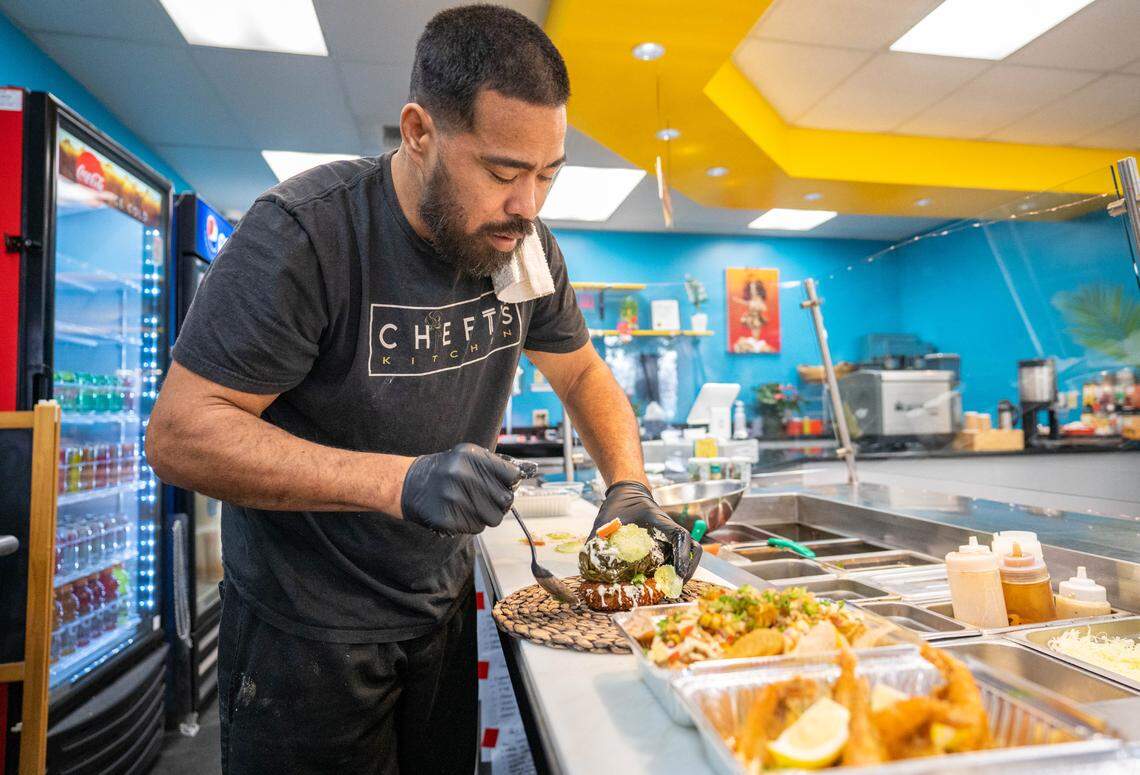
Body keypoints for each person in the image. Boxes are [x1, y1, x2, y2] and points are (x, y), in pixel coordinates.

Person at [145, 5, 700, 773]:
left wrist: (629, 486)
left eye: (547, 174)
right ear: (418, 132)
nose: (528, 205)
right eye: (503, 172)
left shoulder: (522, 246)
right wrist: (399, 481)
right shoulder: (307, 234)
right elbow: (181, 433)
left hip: (439, 610)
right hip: (305, 634)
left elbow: (580, 371)